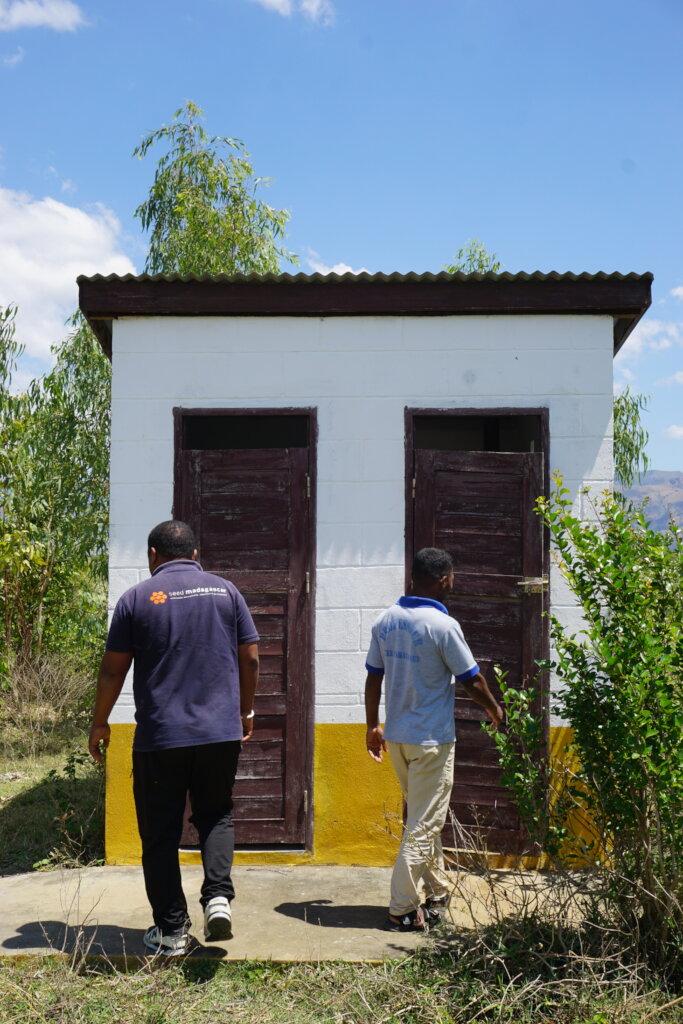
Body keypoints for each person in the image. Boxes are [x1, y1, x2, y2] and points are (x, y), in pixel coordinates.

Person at [88, 520, 259, 956]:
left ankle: (171, 931)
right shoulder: (227, 592)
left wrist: (100, 722)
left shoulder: (135, 599)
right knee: (215, 814)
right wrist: (244, 711)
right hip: (220, 734)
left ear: (152, 555)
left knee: (160, 832)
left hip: (161, 737)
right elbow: (252, 659)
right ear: (196, 554)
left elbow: (112, 671)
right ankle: (217, 898)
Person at [364, 547, 503, 932]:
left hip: (399, 739)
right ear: (443, 579)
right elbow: (472, 679)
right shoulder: (443, 625)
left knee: (424, 817)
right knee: (423, 826)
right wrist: (495, 709)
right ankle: (401, 909)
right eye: (452, 577)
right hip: (431, 742)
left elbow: (373, 676)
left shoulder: (385, 620)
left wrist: (372, 725)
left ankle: (438, 892)